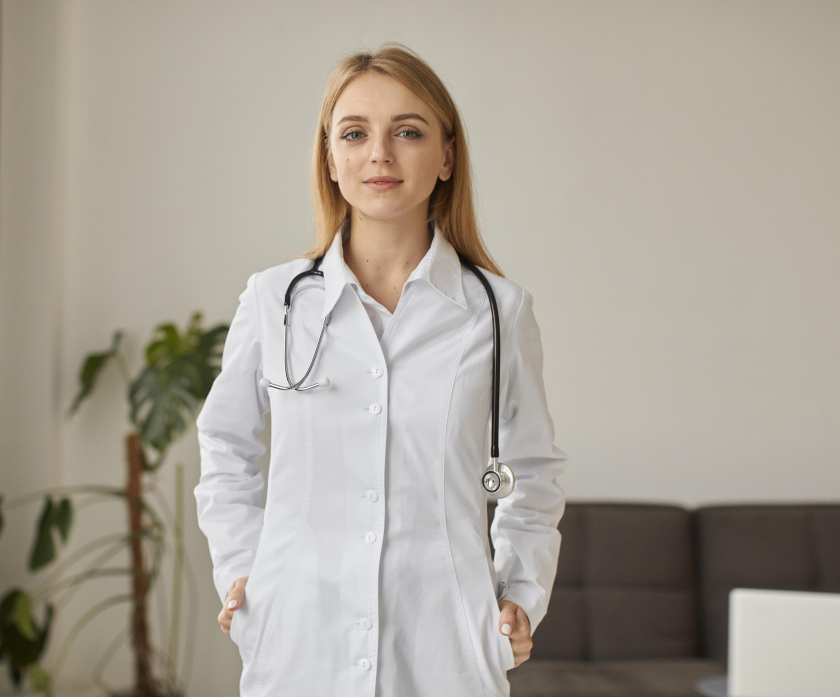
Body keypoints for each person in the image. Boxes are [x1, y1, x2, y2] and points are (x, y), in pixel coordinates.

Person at [194, 42, 568, 697]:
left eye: (409, 132)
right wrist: (243, 567)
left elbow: (532, 474)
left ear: (447, 156)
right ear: (330, 157)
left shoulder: (499, 312)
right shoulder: (273, 301)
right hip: (297, 638)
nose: (380, 154)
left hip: (446, 640)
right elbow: (224, 446)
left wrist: (517, 593)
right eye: (355, 133)